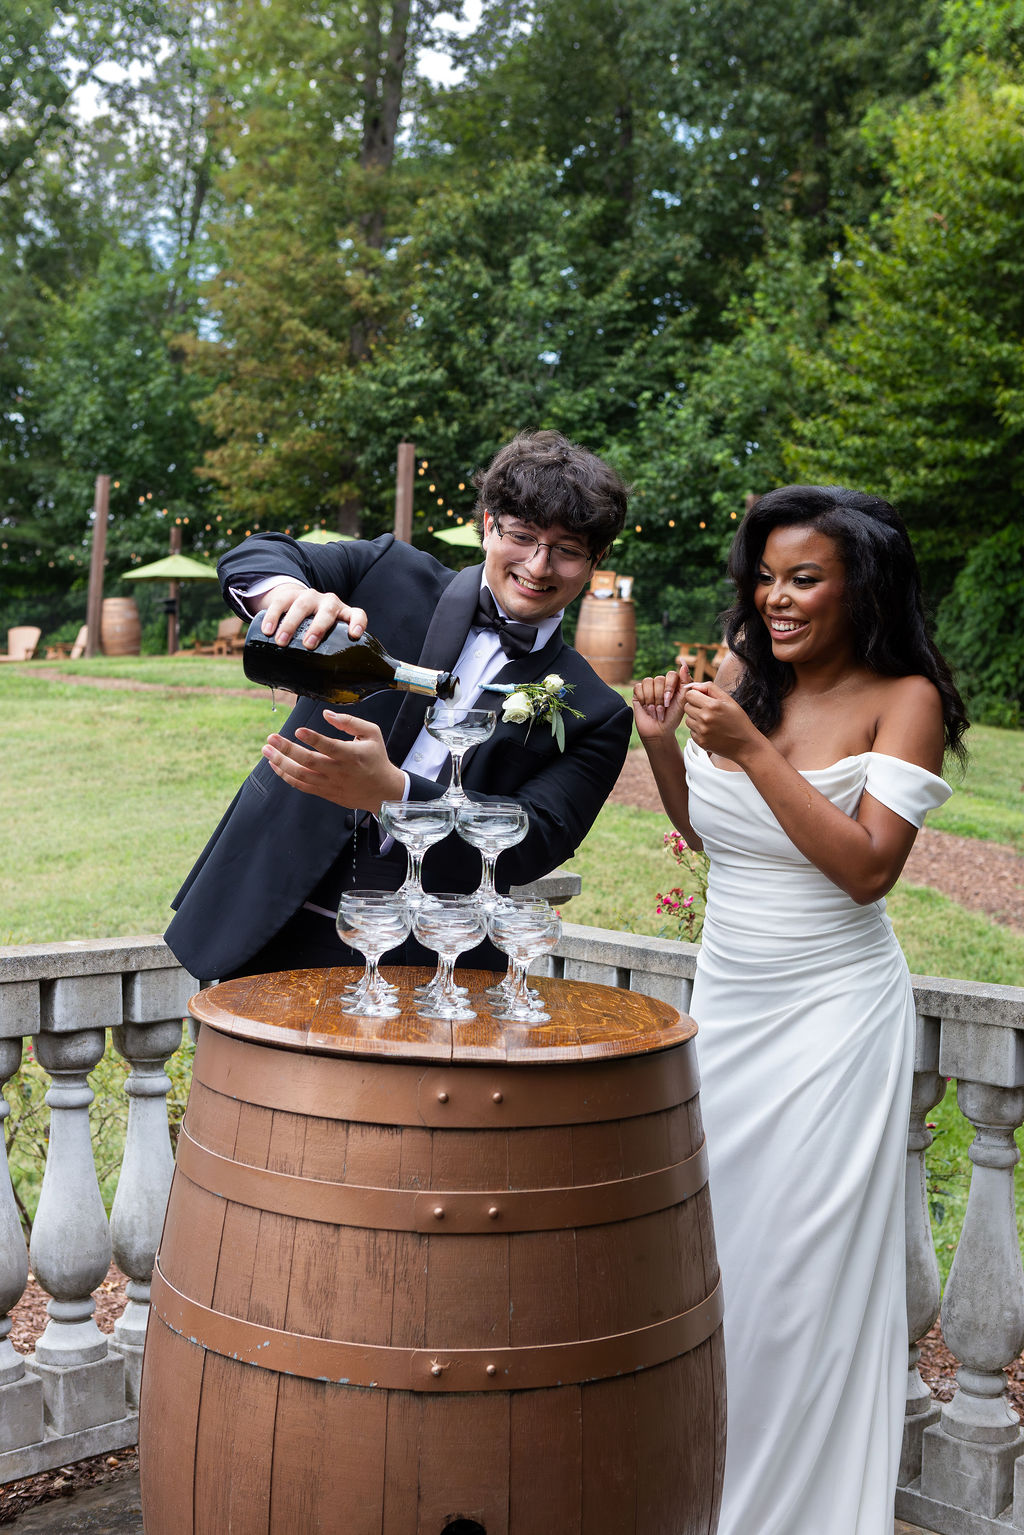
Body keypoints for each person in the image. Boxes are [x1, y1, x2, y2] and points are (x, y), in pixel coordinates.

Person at [632, 485, 967, 1535]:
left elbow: (865, 870)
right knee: (716, 1260)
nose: (774, 598)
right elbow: (716, 832)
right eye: (766, 577)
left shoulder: (903, 698)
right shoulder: (745, 674)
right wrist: (663, 744)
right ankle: (704, 1494)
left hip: (832, 1018)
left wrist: (750, 747)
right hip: (729, 1005)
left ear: (860, 585)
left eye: (803, 578)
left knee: (798, 1279)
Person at [165, 430, 632, 982]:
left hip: (434, 960)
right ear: (488, 525)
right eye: (522, 536)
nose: (538, 565)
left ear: (597, 559)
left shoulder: (595, 710)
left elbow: (535, 841)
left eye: (568, 550)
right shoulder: (388, 572)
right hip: (267, 911)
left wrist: (396, 793)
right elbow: (258, 553)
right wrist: (286, 594)